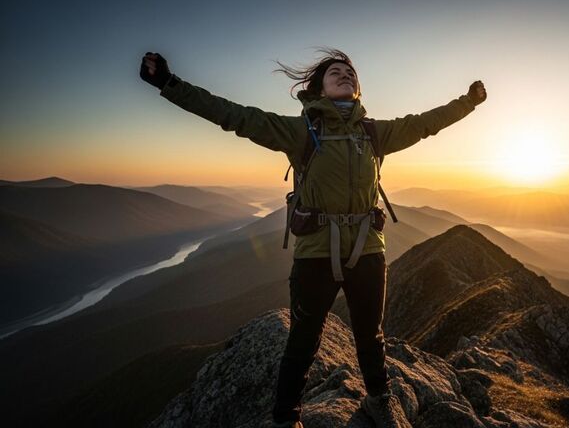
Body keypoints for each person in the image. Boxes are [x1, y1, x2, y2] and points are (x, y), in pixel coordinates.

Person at [140, 48, 486, 428]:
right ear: (318, 86)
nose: (346, 76)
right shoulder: (301, 130)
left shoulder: (374, 132)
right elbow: (234, 116)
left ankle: (378, 399)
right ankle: (287, 417)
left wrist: (467, 103)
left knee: (370, 336)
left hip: (367, 249)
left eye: (351, 74)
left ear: (358, 90)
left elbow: (425, 123)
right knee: (304, 339)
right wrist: (170, 86)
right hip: (316, 252)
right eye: (336, 71)